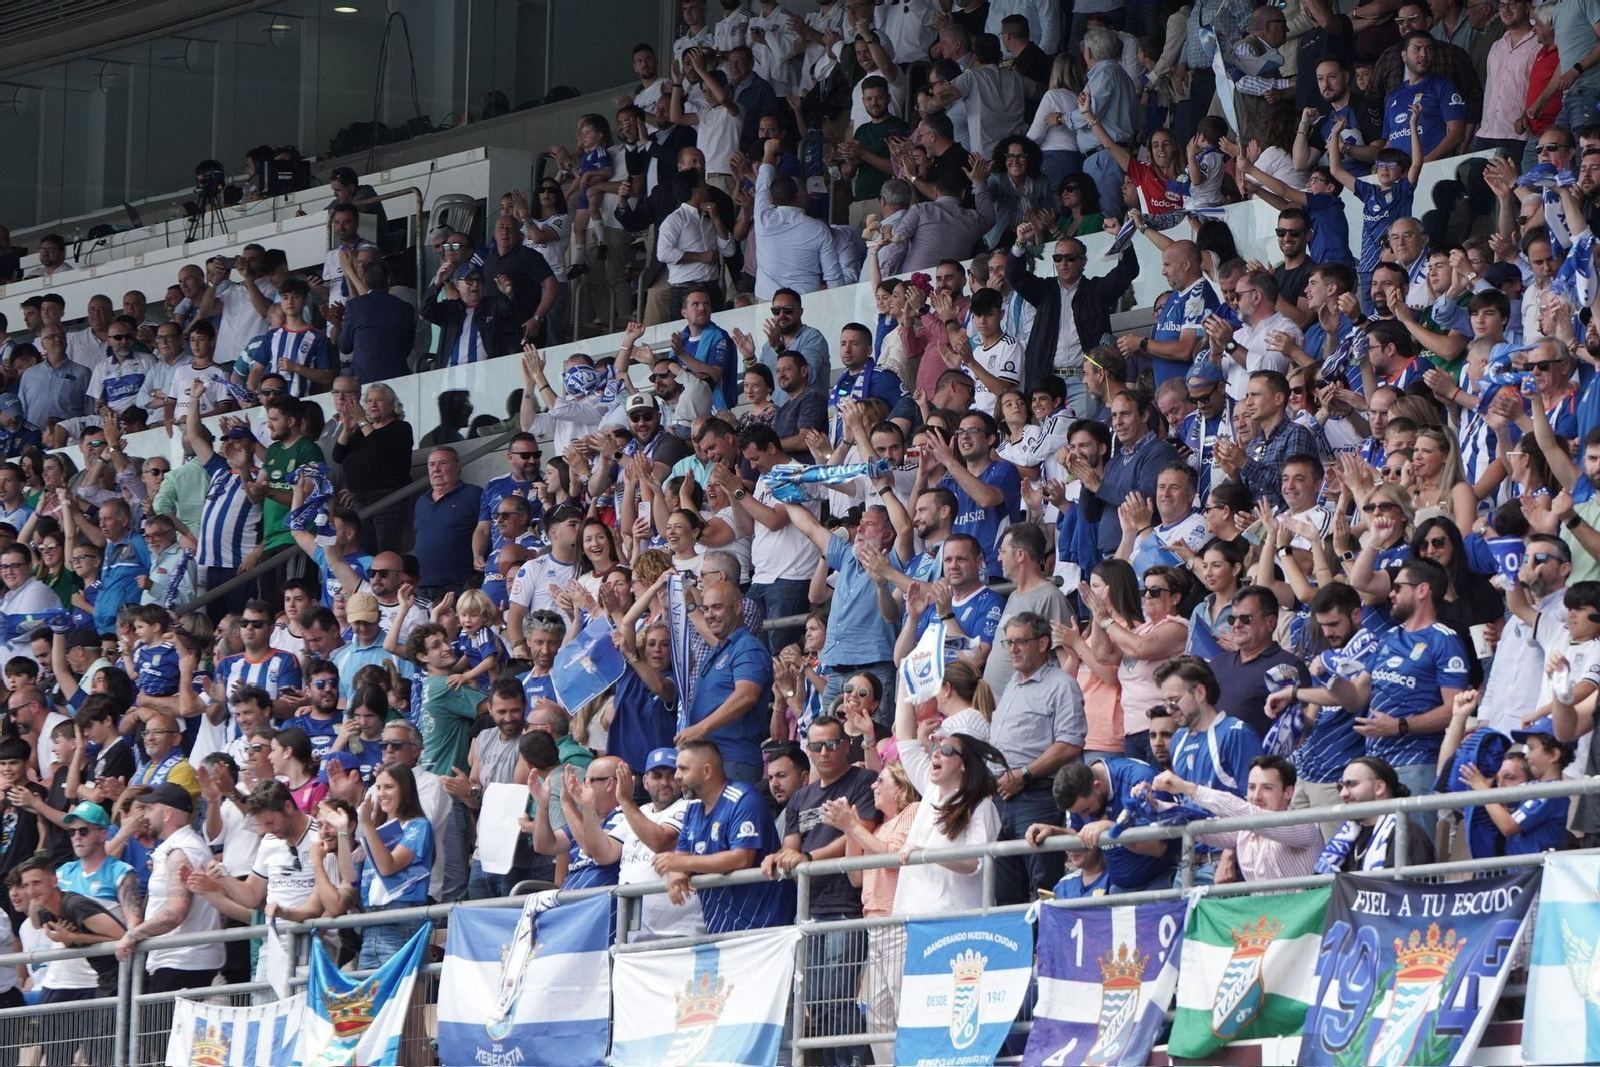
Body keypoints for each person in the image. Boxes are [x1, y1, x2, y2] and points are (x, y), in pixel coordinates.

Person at [761, 714, 877, 1064]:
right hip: (808, 906)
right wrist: (776, 857)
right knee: (815, 999)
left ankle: (856, 1061)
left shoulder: (862, 781)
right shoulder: (801, 797)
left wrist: (806, 857)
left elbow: (857, 833)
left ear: (845, 745)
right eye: (815, 745)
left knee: (837, 994)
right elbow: (791, 846)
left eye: (831, 744)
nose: (823, 752)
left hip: (846, 903)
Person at [989, 611, 1085, 903]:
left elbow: (1070, 744)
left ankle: (1048, 947)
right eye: (1009, 642)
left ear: (1043, 643)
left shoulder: (1061, 685)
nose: (1013, 649)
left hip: (1037, 795)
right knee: (1006, 892)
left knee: (1045, 885)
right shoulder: (1012, 685)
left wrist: (1025, 774)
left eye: (1021, 642)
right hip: (1002, 798)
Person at [656, 740, 794, 932]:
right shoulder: (692, 809)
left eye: (683, 769)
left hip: (762, 927)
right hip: (719, 929)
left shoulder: (744, 798)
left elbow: (741, 859)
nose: (677, 776)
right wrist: (675, 873)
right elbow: (680, 857)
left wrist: (681, 865)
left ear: (706, 771)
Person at [1008, 222, 1140, 411]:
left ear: (1083, 261)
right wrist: (1020, 243)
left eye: (1070, 258)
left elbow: (1128, 270)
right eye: (1058, 257)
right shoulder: (1044, 290)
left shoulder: (1097, 290)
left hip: (1085, 379)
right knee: (1051, 438)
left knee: (1083, 435)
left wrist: (1122, 236)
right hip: (1048, 380)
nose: (1063, 263)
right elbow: (1014, 276)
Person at [113, 785, 223, 996]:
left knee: (162, 1029)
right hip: (179, 961)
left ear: (167, 813)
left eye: (150, 808)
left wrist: (133, 934)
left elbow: (175, 911)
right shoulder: (180, 847)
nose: (145, 815)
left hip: (182, 963)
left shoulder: (180, 851)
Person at [1153, 754, 1322, 880]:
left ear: (1288, 792)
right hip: (1263, 922)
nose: (1256, 796)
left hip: (1304, 922)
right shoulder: (1243, 829)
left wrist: (1189, 789)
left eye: (1267, 788)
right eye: (1251, 787)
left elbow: (1249, 814)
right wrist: (1155, 805)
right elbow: (1197, 824)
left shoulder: (1304, 824)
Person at [1029, 757, 1178, 893]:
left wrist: (1112, 829)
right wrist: (1054, 832)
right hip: (1119, 888)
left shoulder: (1139, 779)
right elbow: (1084, 842)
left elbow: (1158, 847)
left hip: (1162, 881)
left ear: (1097, 787)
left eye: (1086, 810)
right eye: (1078, 813)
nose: (1085, 817)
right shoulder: (1079, 790)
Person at [680, 581, 772, 784]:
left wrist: (700, 729)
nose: (709, 614)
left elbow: (746, 696)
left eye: (717, 607)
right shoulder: (718, 651)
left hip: (733, 760)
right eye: (705, 608)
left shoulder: (748, 647)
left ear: (738, 608)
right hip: (707, 760)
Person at [752, 137, 845, 297]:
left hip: (767, 305)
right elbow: (833, 277)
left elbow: (763, 184)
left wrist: (768, 151)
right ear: (800, 196)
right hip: (804, 304)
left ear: (772, 200)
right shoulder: (819, 229)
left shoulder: (763, 218)